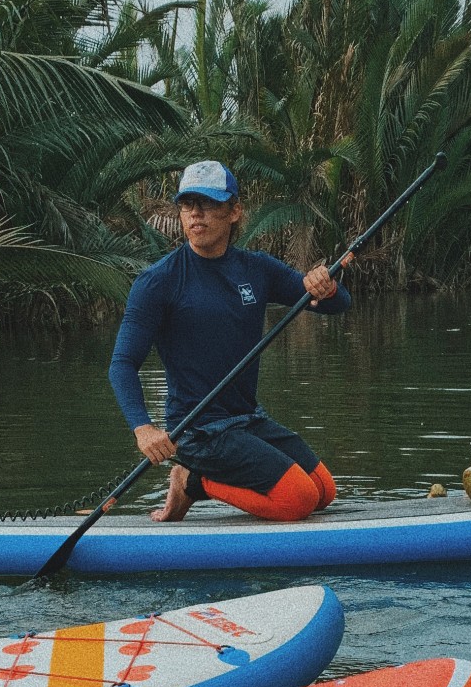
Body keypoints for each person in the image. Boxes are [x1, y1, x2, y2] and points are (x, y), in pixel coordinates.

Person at [108, 160, 350, 522]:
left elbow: (336, 305)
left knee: (324, 492)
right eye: (188, 205)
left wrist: (326, 287)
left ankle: (196, 480)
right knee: (298, 499)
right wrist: (144, 428)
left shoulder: (256, 269)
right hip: (196, 431)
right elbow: (122, 364)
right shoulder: (158, 282)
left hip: (246, 418)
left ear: (234, 211)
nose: (196, 215)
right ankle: (194, 481)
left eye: (207, 204)